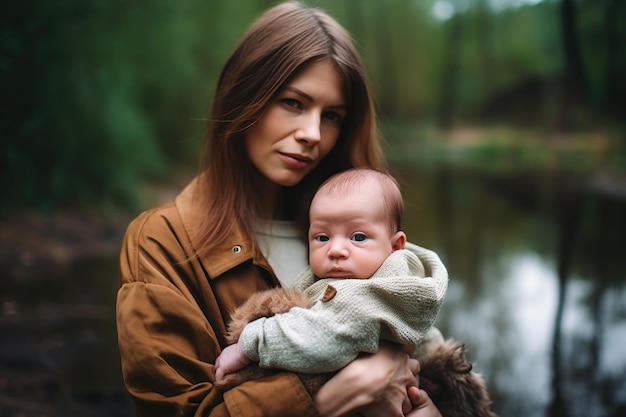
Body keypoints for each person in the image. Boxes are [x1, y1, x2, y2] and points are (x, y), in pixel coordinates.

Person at [116, 2, 445, 416]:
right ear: (245, 96)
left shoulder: (351, 228)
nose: (312, 134)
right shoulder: (162, 242)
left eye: (332, 116)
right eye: (293, 103)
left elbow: (419, 355)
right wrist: (335, 395)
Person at [215, 168, 448, 380]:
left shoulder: (371, 295)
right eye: (322, 237)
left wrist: (248, 345)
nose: (335, 250)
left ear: (396, 246)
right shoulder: (354, 274)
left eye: (358, 237)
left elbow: (321, 340)